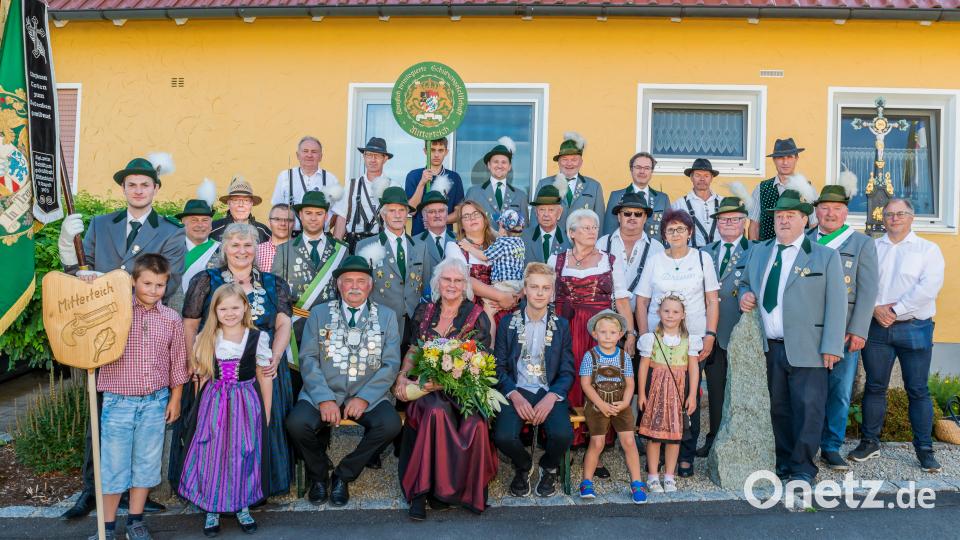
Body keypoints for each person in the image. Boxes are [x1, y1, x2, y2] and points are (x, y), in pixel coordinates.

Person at [57, 154, 183, 520]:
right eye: (132, 185)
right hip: (100, 333)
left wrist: (109, 284)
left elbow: (170, 280)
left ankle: (133, 494)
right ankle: (92, 489)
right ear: (123, 189)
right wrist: (69, 252)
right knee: (99, 416)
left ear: (155, 189)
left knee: (141, 427)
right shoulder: (100, 224)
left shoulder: (171, 231)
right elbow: (80, 271)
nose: (138, 190)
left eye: (145, 185)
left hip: (143, 333)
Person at [178, 223, 294, 497]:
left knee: (257, 427)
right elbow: (190, 324)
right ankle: (211, 489)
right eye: (235, 245)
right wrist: (193, 360)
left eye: (248, 244)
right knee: (214, 431)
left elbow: (283, 324)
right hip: (215, 371)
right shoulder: (206, 280)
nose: (242, 251)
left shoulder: (273, 283)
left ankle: (254, 488)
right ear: (225, 248)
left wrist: (275, 357)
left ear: (256, 248)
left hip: (263, 369)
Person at [738, 189, 845, 485]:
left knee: (808, 409)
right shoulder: (759, 251)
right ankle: (784, 462)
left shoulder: (825, 256)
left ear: (804, 220)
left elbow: (837, 305)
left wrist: (832, 346)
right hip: (769, 347)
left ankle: (803, 468)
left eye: (790, 216)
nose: (784, 221)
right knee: (778, 408)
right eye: (779, 216)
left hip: (810, 347)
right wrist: (745, 295)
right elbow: (745, 281)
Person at [286, 256, 403, 507]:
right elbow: (308, 358)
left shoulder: (387, 316)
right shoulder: (319, 314)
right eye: (348, 281)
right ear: (339, 286)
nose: (354, 286)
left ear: (370, 286)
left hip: (366, 395)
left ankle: (343, 475)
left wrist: (364, 398)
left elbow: (391, 364)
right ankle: (319, 476)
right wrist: (323, 398)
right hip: (324, 391)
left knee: (391, 424)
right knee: (296, 423)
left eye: (361, 281)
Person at [86, 254, 188, 540]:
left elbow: (178, 362)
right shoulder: (114, 312)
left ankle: (135, 520)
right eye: (147, 283)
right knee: (113, 465)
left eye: (160, 285)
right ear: (133, 281)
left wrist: (175, 398)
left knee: (146, 463)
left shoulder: (171, 319)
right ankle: (106, 528)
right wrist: (89, 283)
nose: (153, 290)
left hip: (155, 402)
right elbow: (87, 325)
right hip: (118, 402)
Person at [394, 258, 496, 519]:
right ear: (437, 282)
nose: (452, 285)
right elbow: (414, 348)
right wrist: (403, 377)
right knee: (435, 411)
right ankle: (421, 492)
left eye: (458, 280)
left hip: (463, 389)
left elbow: (480, 360)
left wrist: (452, 377)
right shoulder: (424, 310)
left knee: (475, 422)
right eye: (447, 279)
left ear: (465, 285)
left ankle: (465, 491)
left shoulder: (476, 315)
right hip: (426, 386)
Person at [848, 198, 944, 473]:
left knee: (918, 389)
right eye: (889, 214)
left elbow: (928, 287)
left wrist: (895, 310)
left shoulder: (928, 250)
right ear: (883, 218)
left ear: (911, 217)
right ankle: (870, 443)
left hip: (914, 327)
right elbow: (861, 282)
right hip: (877, 327)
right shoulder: (871, 247)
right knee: (875, 387)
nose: (894, 218)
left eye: (900, 213)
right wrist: (875, 309)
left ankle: (925, 449)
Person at [178, 284, 273, 537]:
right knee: (211, 452)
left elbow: (264, 377)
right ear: (215, 311)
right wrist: (198, 413)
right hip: (214, 402)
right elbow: (201, 377)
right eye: (223, 309)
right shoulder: (207, 337)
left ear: (245, 307)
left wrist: (266, 411)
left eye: (235, 307)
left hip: (245, 402)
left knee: (243, 452)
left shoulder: (257, 338)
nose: (230, 313)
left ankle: (243, 506)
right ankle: (211, 508)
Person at [634, 208, 720, 476]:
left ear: (689, 232)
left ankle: (685, 454)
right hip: (658, 341)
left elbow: (711, 300)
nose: (675, 234)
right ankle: (657, 453)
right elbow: (642, 302)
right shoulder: (655, 260)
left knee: (688, 396)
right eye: (670, 230)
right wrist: (645, 337)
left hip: (692, 340)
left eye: (680, 229)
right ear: (664, 234)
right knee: (656, 396)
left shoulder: (702, 259)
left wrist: (710, 334)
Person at [806, 183, 879, 471]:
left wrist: (859, 329)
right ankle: (806, 444)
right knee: (807, 391)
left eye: (837, 208)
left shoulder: (861, 244)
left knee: (839, 391)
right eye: (825, 208)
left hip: (845, 331)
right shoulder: (804, 240)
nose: (830, 213)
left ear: (846, 212)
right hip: (808, 330)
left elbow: (868, 290)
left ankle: (831, 446)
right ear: (816, 212)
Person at [548, 209, 635, 452]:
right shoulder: (556, 260)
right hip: (566, 330)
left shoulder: (609, 260)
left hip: (601, 331)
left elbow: (622, 300)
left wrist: (630, 334)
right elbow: (547, 299)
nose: (592, 231)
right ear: (571, 232)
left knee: (601, 377)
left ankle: (597, 437)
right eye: (585, 227)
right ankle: (569, 436)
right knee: (570, 375)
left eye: (594, 227)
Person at [492, 263, 574, 499]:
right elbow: (498, 367)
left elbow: (567, 370)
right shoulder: (507, 323)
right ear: (525, 289)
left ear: (552, 292)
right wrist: (514, 395)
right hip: (517, 388)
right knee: (503, 436)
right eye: (534, 287)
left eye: (545, 288)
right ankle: (524, 465)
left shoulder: (561, 326)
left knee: (563, 434)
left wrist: (552, 397)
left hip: (548, 389)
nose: (539, 293)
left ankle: (548, 466)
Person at [690, 197, 752, 459]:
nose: (728, 223)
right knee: (710, 390)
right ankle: (710, 439)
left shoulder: (755, 250)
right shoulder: (704, 252)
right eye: (723, 219)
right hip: (703, 330)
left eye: (734, 219)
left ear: (744, 222)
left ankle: (737, 440)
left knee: (737, 391)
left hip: (735, 330)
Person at [271, 191, 349, 395]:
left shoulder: (341, 250)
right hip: (295, 329)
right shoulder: (284, 250)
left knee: (326, 386)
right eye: (308, 213)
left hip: (329, 329)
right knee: (295, 384)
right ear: (300, 215)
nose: (313, 218)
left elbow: (346, 293)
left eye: (319, 213)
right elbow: (276, 294)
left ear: (326, 216)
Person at [578, 310, 646, 504]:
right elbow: (585, 384)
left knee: (629, 441)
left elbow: (630, 383)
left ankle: (637, 483)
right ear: (595, 334)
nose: (608, 336)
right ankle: (586, 482)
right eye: (603, 332)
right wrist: (600, 404)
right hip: (597, 404)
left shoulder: (624, 357)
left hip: (620, 403)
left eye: (612, 332)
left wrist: (625, 402)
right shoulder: (590, 356)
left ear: (620, 335)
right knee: (597, 442)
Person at [355, 186, 433, 351]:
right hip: (380, 324)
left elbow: (425, 284)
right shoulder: (365, 246)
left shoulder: (421, 247)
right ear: (383, 215)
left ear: (407, 214)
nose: (397, 215)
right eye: (392, 211)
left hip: (413, 324)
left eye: (401, 210)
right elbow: (360, 290)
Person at [637, 295, 701, 494]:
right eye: (666, 311)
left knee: (675, 436)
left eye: (675, 311)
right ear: (658, 313)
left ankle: (669, 476)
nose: (670, 315)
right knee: (654, 436)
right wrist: (642, 394)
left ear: (683, 315)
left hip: (678, 393)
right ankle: (653, 476)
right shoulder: (651, 339)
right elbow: (643, 367)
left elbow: (694, 369)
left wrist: (692, 395)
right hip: (656, 392)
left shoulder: (690, 341)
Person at [447, 200, 520, 323]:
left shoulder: (500, 246)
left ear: (484, 219)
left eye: (476, 214)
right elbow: (464, 279)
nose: (472, 218)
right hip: (472, 315)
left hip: (506, 310)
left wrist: (514, 298)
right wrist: (502, 297)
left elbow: (516, 273)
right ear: (461, 225)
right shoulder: (454, 247)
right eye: (466, 216)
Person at [597, 192, 664, 315]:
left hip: (644, 317)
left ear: (645, 218)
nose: (632, 217)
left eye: (638, 214)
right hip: (607, 319)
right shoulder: (602, 243)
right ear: (619, 217)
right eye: (627, 213)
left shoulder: (657, 248)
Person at [532, 131, 605, 232]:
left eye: (574, 159)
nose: (569, 163)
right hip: (553, 241)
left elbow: (599, 223)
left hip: (582, 241)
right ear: (558, 162)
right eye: (564, 159)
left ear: (581, 162)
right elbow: (534, 220)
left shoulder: (594, 187)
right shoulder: (544, 184)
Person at [332, 137, 393, 251]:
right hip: (354, 244)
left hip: (382, 245)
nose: (373, 159)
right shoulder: (351, 185)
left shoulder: (393, 186)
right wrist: (335, 251)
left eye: (377, 155)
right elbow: (341, 219)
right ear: (364, 157)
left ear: (385, 159)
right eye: (369, 155)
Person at [405, 137, 464, 235]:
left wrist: (438, 221)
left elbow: (459, 212)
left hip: (446, 236)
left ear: (446, 152)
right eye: (432, 150)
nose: (436, 155)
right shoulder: (414, 176)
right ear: (425, 151)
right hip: (420, 235)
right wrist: (422, 183)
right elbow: (412, 211)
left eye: (440, 150)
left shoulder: (454, 178)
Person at [464, 137, 528, 227]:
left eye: (504, 162)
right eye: (496, 162)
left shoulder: (520, 196)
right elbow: (466, 225)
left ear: (509, 166)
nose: (499, 166)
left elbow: (524, 229)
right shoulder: (473, 193)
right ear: (489, 165)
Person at [603, 152, 670, 238]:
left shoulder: (662, 199)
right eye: (638, 167)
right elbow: (609, 231)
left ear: (652, 171)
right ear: (631, 169)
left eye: (647, 168)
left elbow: (668, 231)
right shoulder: (616, 197)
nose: (642, 171)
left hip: (655, 246)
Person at [749, 137, 804, 241]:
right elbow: (754, 227)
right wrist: (755, 249)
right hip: (767, 249)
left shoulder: (807, 189)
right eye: (780, 157)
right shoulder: (761, 189)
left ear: (796, 158)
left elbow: (814, 226)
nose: (785, 162)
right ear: (774, 160)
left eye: (789, 157)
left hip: (798, 249)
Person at [271, 136, 341, 215]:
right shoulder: (285, 176)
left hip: (323, 224)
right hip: (292, 224)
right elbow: (276, 209)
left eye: (314, 152)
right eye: (305, 151)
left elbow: (339, 213)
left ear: (321, 156)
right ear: (297, 155)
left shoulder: (331, 179)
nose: (309, 155)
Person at [671, 158, 722, 248]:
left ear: (711, 178)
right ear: (691, 177)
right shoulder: (679, 205)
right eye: (698, 175)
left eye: (706, 176)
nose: (702, 179)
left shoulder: (723, 202)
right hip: (691, 254)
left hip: (719, 253)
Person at [178, 199, 220, 296]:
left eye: (205, 220)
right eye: (194, 220)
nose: (200, 225)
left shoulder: (223, 251)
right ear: (183, 223)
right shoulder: (169, 250)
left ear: (211, 225)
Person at [211, 176, 272, 243]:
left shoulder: (263, 232)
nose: (241, 205)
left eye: (246, 200)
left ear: (251, 204)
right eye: (236, 200)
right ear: (229, 203)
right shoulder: (213, 229)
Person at [522, 185, 569, 264]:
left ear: (559, 213)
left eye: (551, 210)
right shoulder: (523, 238)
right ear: (536, 212)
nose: (546, 214)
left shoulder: (568, 240)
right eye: (542, 209)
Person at [414, 190, 456, 270]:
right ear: (424, 215)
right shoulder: (413, 243)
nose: (437, 215)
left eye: (441, 211)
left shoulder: (459, 239)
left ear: (447, 213)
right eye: (432, 212)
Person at [257, 203, 296, 272]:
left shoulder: (302, 250)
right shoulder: (256, 251)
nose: (283, 223)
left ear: (294, 224)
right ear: (269, 223)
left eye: (288, 220)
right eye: (277, 219)